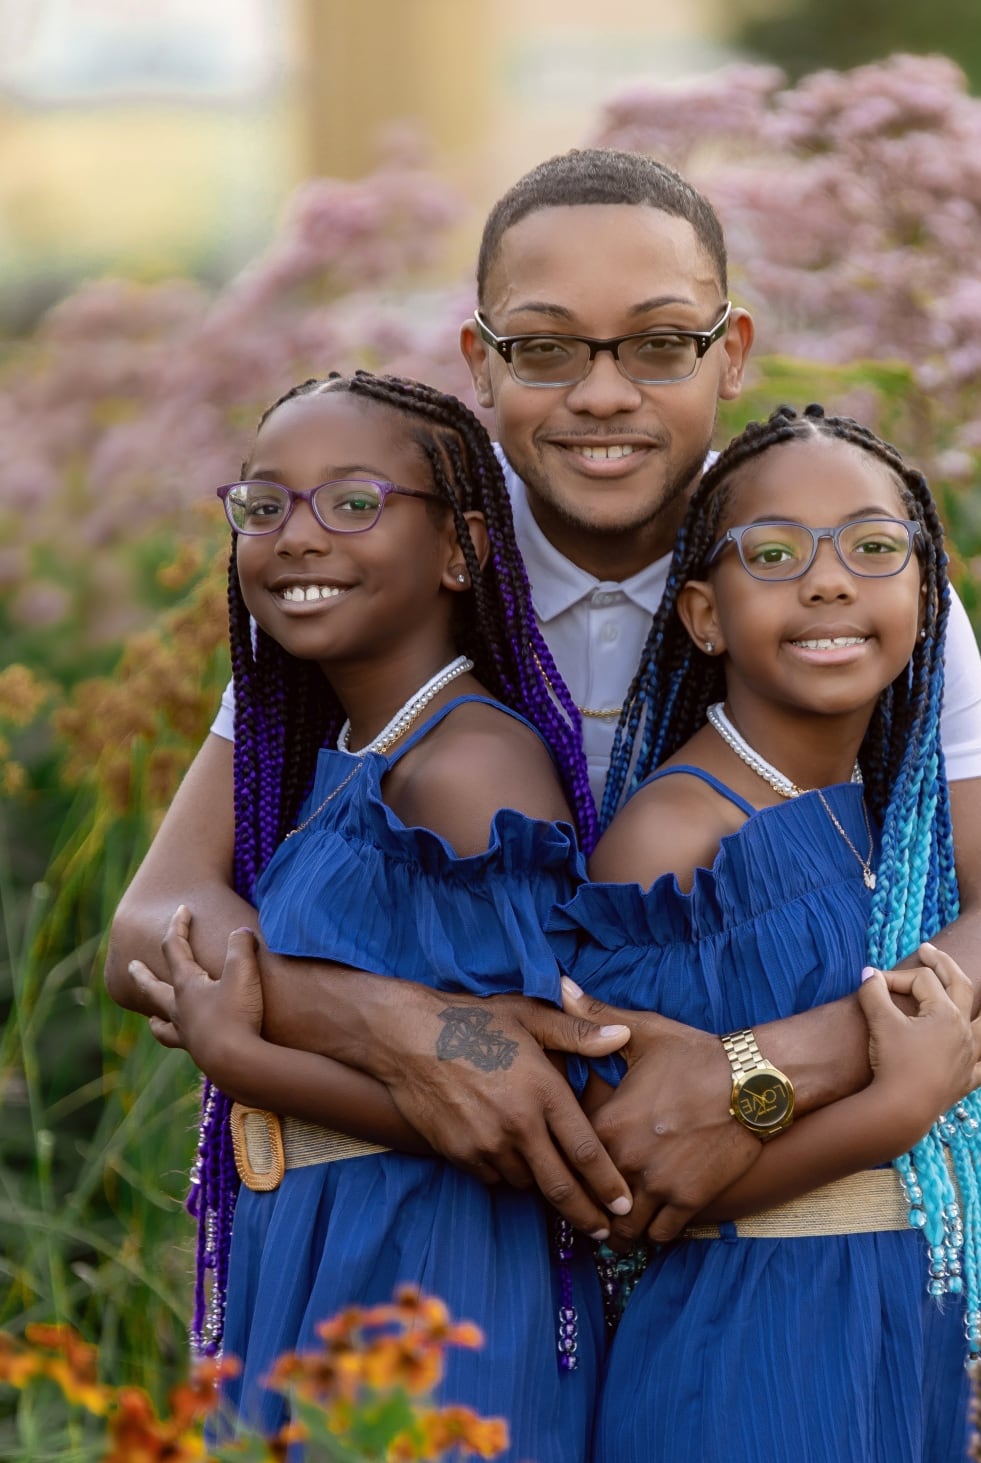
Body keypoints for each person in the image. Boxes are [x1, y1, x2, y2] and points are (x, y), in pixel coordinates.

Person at [106, 148, 981, 1257]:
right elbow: (152, 920)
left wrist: (747, 1074)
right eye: (546, 346)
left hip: (758, 1252)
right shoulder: (408, 558)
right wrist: (402, 1028)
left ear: (732, 354)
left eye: (662, 343)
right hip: (439, 1245)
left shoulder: (833, 582)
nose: (603, 391)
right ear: (480, 360)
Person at [137, 369, 621, 1457]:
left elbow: (523, 1111)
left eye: (354, 502)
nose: (297, 536)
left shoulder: (470, 764)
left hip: (435, 1277)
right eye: (265, 504)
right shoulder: (341, 755)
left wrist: (243, 1051)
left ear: (461, 549)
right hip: (324, 1245)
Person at [553, 403, 981, 1461]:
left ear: (923, 593)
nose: (828, 579)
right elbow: (630, 1182)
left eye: (872, 546)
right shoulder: (673, 837)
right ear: (705, 616)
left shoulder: (907, 814)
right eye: (775, 552)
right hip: (757, 1342)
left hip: (925, 1326)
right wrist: (891, 1105)